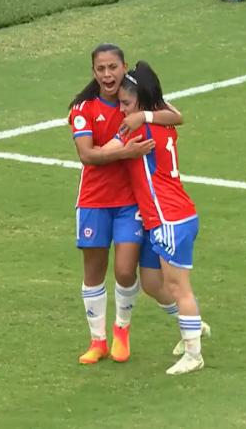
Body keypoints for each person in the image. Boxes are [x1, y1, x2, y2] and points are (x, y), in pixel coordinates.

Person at [68, 43, 191, 365]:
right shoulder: (83, 109)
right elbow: (87, 155)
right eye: (101, 69)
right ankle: (98, 341)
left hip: (129, 203)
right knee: (93, 270)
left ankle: (122, 331)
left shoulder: (137, 100)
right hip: (94, 199)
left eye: (112, 67)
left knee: (125, 270)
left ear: (124, 68)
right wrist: (127, 153)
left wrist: (143, 117)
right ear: (93, 73)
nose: (107, 74)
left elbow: (176, 115)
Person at [101, 60, 207, 375]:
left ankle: (194, 353)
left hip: (171, 218)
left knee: (178, 287)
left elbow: (107, 150)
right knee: (150, 282)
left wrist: (89, 152)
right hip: (159, 219)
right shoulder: (160, 121)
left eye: (126, 103)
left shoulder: (141, 129)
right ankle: (193, 325)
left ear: (142, 101)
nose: (121, 110)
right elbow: (174, 113)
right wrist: (142, 113)